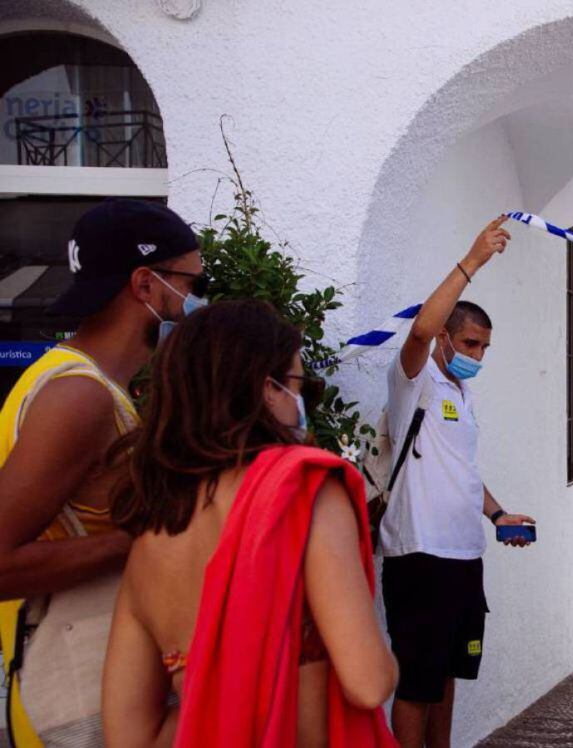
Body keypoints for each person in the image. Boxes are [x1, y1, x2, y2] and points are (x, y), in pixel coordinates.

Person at [101, 299, 398, 747]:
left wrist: (222, 699)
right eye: (300, 384)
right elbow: (369, 680)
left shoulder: (152, 535)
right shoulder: (304, 489)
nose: (302, 401)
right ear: (267, 389)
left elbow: (130, 735)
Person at [0, 199, 205, 745]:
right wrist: (143, 540)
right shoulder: (78, 398)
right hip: (72, 703)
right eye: (191, 283)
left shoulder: (91, 388)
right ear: (145, 284)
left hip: (96, 694)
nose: (192, 304)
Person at [381, 217, 535, 748]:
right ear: (446, 336)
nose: (477, 356)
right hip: (420, 555)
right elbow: (419, 331)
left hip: (464, 558)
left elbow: (463, 472)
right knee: (416, 682)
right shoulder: (414, 383)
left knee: (447, 677)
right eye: (469, 343)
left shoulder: (463, 398)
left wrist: (497, 515)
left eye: (484, 348)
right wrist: (473, 260)